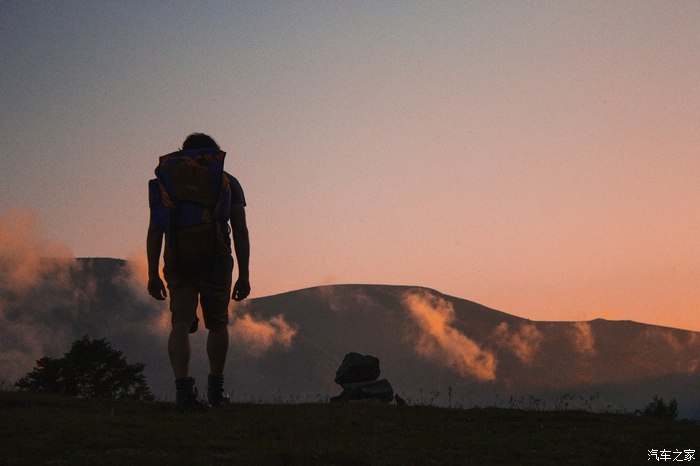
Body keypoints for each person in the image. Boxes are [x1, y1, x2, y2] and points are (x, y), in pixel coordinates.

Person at [146, 133, 250, 410]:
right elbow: (239, 229)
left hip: (177, 255)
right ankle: (216, 392)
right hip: (215, 256)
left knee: (180, 323)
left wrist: (152, 273)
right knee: (217, 324)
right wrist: (244, 273)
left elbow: (156, 229)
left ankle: (183, 393)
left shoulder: (167, 182)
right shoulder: (226, 182)